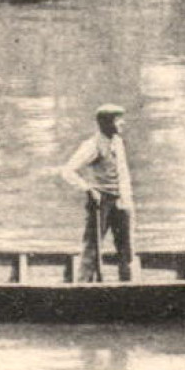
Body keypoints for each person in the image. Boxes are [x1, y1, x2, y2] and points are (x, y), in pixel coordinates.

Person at [62, 104, 135, 282]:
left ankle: (128, 286)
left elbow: (122, 172)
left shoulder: (117, 141)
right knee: (92, 249)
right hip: (100, 203)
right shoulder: (92, 146)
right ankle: (82, 287)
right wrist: (88, 189)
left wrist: (127, 201)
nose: (122, 124)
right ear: (107, 123)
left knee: (126, 249)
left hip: (121, 201)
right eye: (118, 120)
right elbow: (67, 171)